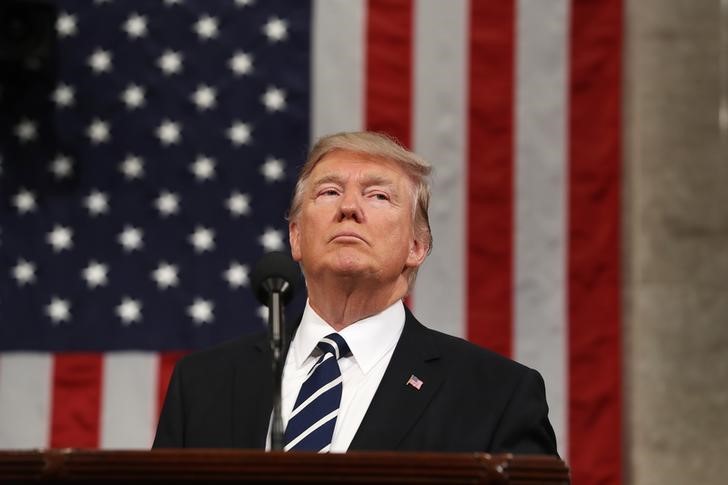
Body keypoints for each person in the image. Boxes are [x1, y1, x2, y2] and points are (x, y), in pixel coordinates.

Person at [153, 131, 557, 454]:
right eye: (329, 192)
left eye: (378, 195)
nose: (349, 208)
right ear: (295, 237)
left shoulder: (494, 395)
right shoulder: (204, 384)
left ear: (417, 246)